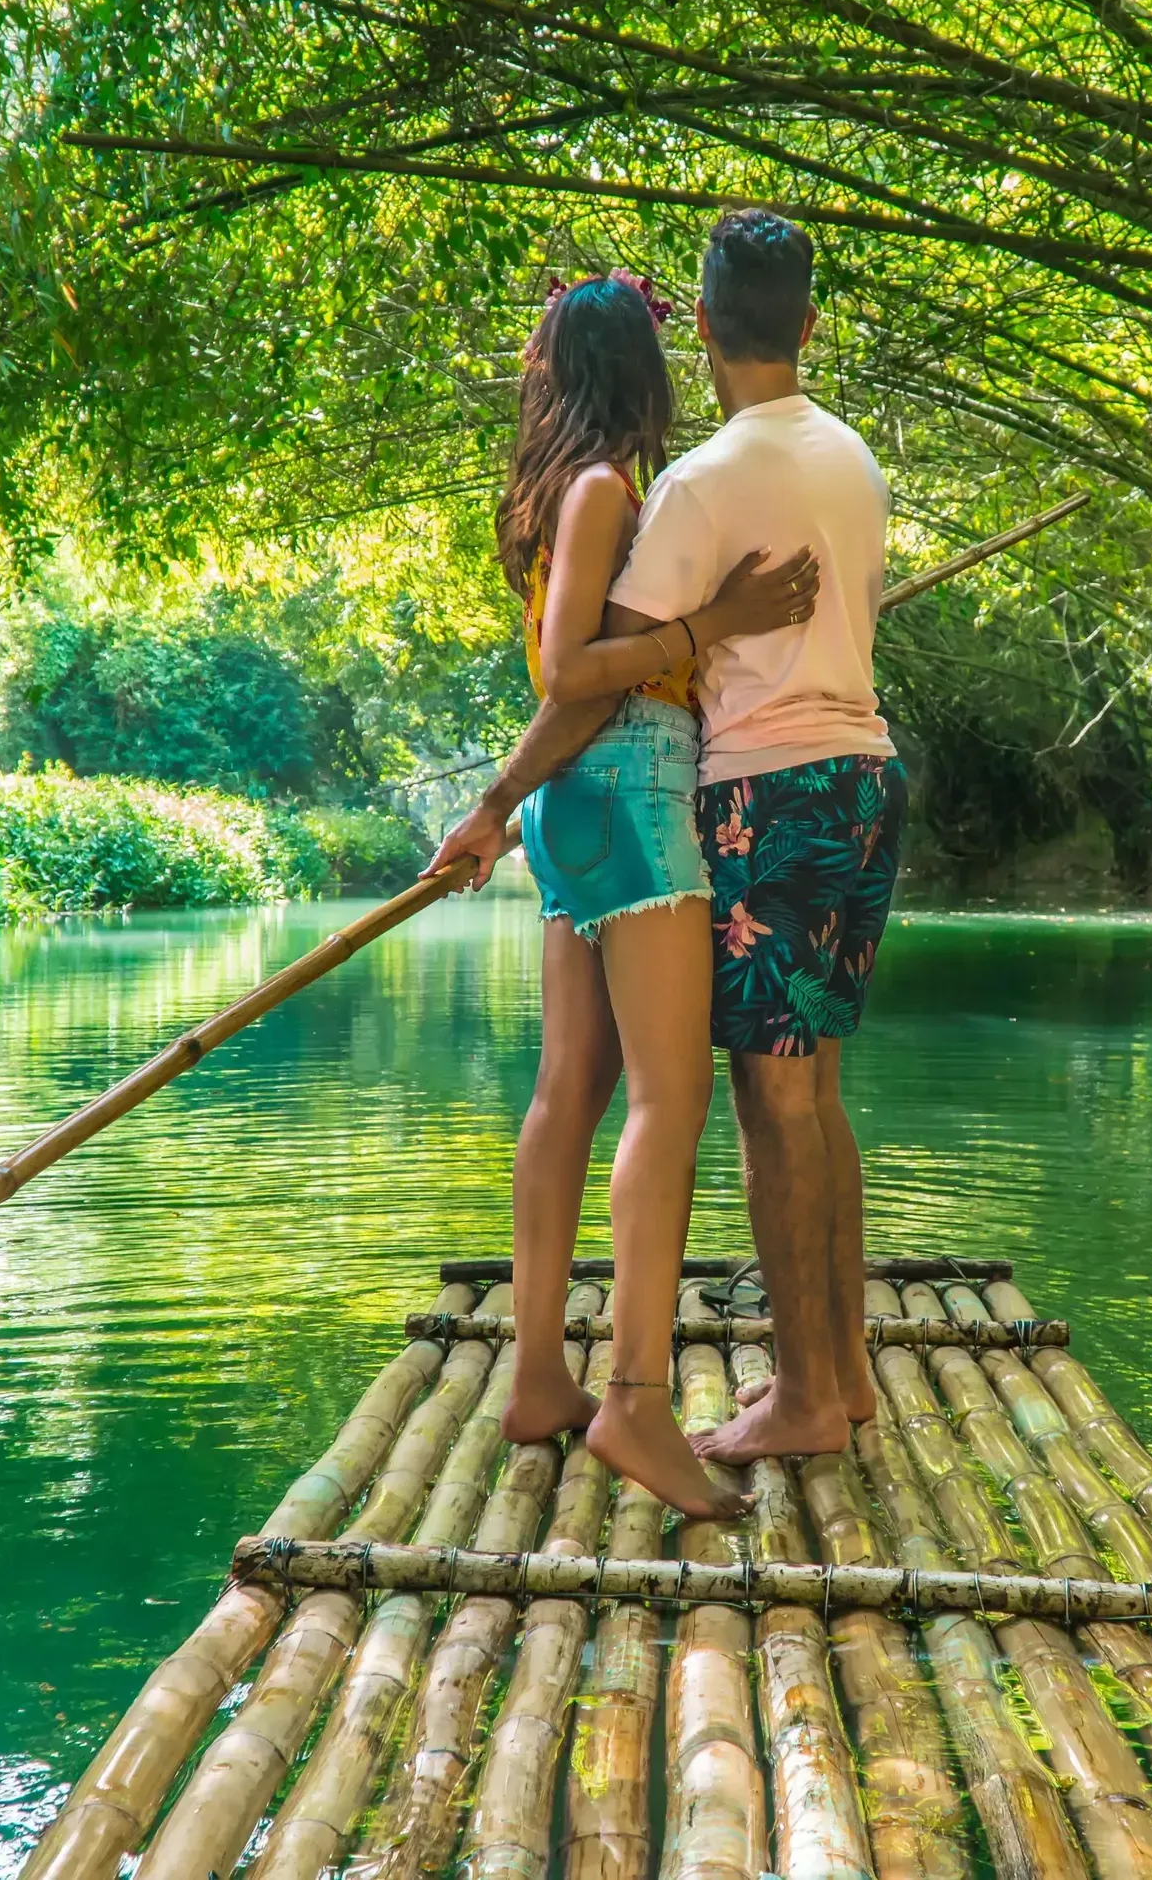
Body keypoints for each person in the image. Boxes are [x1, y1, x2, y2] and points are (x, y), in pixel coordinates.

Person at [425, 272, 817, 1519]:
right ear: (632, 372)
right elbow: (573, 671)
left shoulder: (552, 494)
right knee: (670, 1097)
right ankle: (637, 1404)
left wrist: (499, 806)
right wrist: (713, 624)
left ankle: (540, 1376)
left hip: (572, 808)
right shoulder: (601, 489)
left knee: (570, 1093)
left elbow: (558, 683)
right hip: (637, 787)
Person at [606, 210, 906, 1465]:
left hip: (767, 790)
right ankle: (841, 1375)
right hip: (866, 776)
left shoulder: (702, 481)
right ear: (810, 324)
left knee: (773, 1098)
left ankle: (802, 1398)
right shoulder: (854, 458)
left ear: (707, 327)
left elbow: (608, 656)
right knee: (818, 1090)